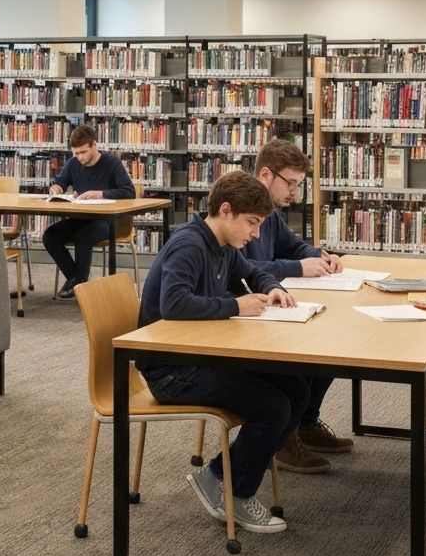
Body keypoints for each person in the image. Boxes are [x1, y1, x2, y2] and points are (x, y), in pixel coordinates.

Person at [137, 170, 308, 535]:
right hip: (171, 371)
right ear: (226, 211)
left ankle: (222, 476)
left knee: (297, 390)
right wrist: (235, 306)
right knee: (273, 406)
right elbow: (173, 304)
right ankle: (231, 490)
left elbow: (253, 274)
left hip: (198, 357)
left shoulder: (226, 248)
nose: (256, 234)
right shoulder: (190, 245)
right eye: (252, 223)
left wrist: (273, 287)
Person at [243, 139, 354, 474]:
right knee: (307, 349)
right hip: (247, 317)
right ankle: (284, 435)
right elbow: (246, 269)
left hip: (271, 307)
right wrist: (296, 268)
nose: (294, 193)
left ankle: (304, 422)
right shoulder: (241, 210)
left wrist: (317, 256)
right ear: (266, 175)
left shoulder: (271, 215)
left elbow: (292, 246)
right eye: (290, 183)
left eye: (298, 185)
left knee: (332, 341)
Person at [44, 124, 136, 299]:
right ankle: (77, 281)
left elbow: (129, 192)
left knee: (82, 235)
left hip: (108, 221)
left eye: (83, 152)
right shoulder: (73, 163)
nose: (79, 157)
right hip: (81, 217)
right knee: (50, 235)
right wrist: (56, 189)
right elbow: (60, 182)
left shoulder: (111, 163)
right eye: (76, 153)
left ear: (94, 145)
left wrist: (100, 194)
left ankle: (77, 283)